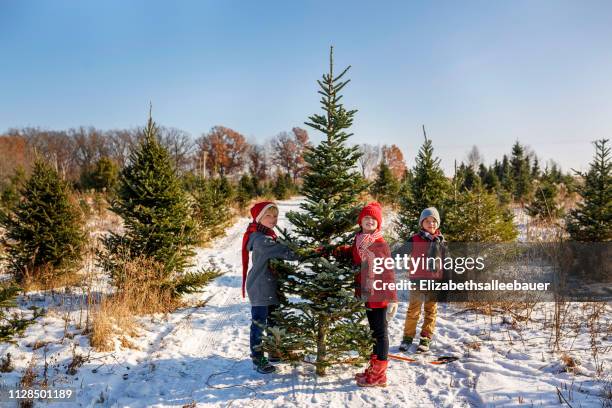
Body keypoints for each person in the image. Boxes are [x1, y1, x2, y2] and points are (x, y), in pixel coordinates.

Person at [242, 201, 298, 374]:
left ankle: (274, 351)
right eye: (268, 216)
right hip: (260, 287)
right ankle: (258, 357)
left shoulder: (268, 235)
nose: (273, 219)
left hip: (270, 285)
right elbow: (286, 252)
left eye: (275, 216)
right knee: (259, 323)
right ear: (259, 218)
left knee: (274, 319)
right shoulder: (261, 240)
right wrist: (310, 251)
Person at [351, 202, 398, 387]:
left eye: (373, 219)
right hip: (367, 294)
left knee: (380, 333)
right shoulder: (360, 241)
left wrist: (393, 298)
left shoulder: (380, 244)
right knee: (374, 332)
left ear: (378, 223)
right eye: (366, 218)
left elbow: (388, 272)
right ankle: (373, 368)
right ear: (361, 222)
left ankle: (379, 376)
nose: (370, 221)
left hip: (379, 295)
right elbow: (352, 255)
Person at [399, 207, 447, 353]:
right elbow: (401, 252)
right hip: (417, 281)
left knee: (430, 311)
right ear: (422, 223)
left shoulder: (441, 241)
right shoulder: (414, 239)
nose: (431, 224)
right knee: (413, 310)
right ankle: (408, 338)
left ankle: (425, 338)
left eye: (434, 221)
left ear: (437, 223)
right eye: (427, 221)